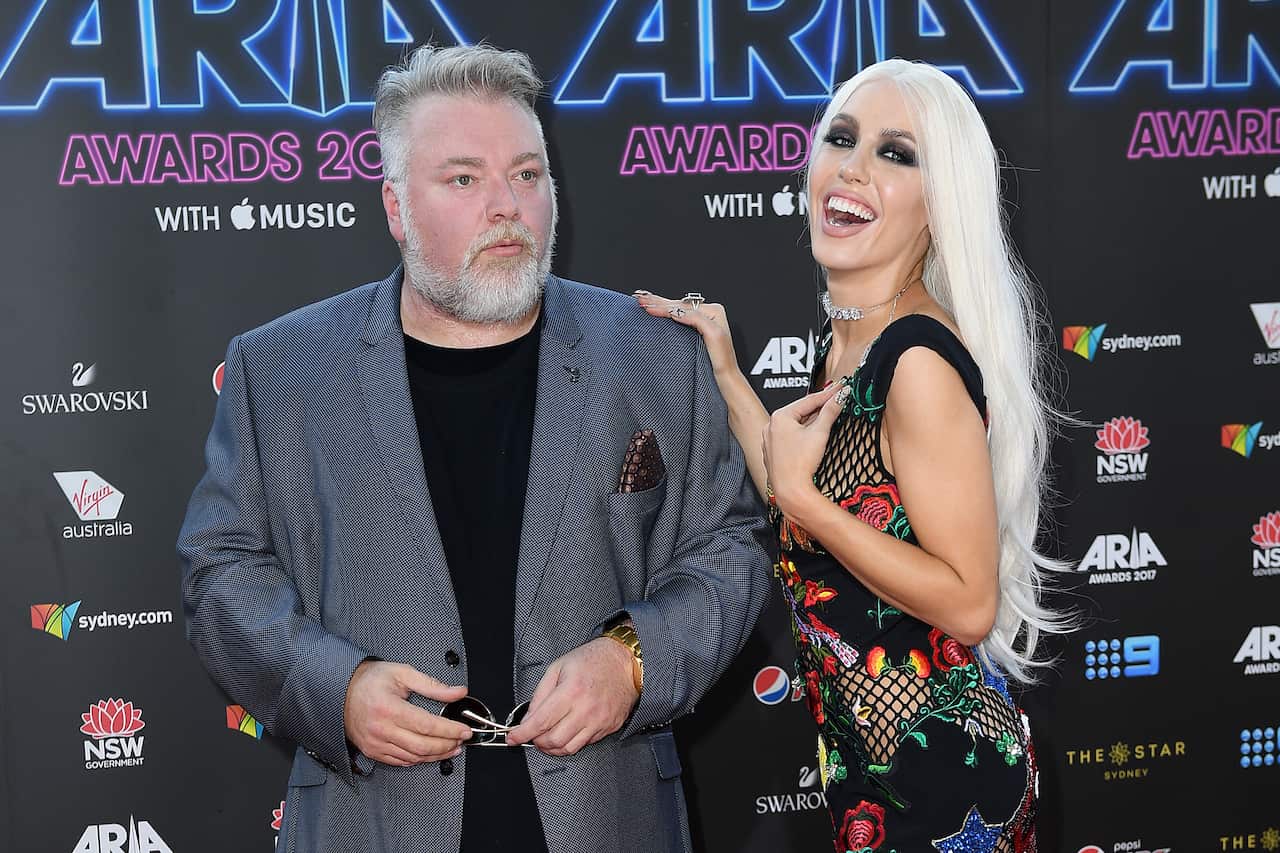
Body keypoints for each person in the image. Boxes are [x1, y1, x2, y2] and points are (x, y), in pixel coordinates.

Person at [178, 43, 771, 853]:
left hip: (607, 821)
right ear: (395, 206)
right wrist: (336, 689)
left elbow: (728, 549)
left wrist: (634, 658)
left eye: (527, 175)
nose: (506, 206)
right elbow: (220, 571)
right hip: (374, 825)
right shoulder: (281, 370)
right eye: (464, 179)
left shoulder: (655, 354)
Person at [637, 59, 1069, 850]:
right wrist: (728, 372)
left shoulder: (916, 361)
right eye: (841, 138)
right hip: (872, 774)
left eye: (895, 153)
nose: (852, 167)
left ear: (939, 204)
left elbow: (970, 602)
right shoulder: (851, 342)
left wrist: (807, 503)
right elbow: (803, 494)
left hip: (945, 784)